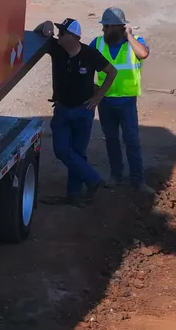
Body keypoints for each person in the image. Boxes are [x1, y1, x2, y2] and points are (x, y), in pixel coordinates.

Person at [36, 18, 119, 205]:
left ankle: (73, 194)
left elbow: (112, 72)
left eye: (62, 33)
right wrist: (45, 24)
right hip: (63, 110)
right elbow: (37, 34)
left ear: (74, 37)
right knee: (62, 149)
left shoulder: (90, 55)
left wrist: (98, 98)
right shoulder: (56, 48)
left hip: (83, 111)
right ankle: (93, 179)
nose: (59, 35)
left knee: (78, 153)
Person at [90, 7, 155, 194]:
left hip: (126, 102)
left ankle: (138, 181)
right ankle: (116, 175)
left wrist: (129, 36)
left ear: (118, 27)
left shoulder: (135, 43)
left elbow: (143, 54)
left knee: (132, 141)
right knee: (111, 140)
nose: (103, 30)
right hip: (106, 101)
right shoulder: (98, 43)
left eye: (106, 26)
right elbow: (85, 61)